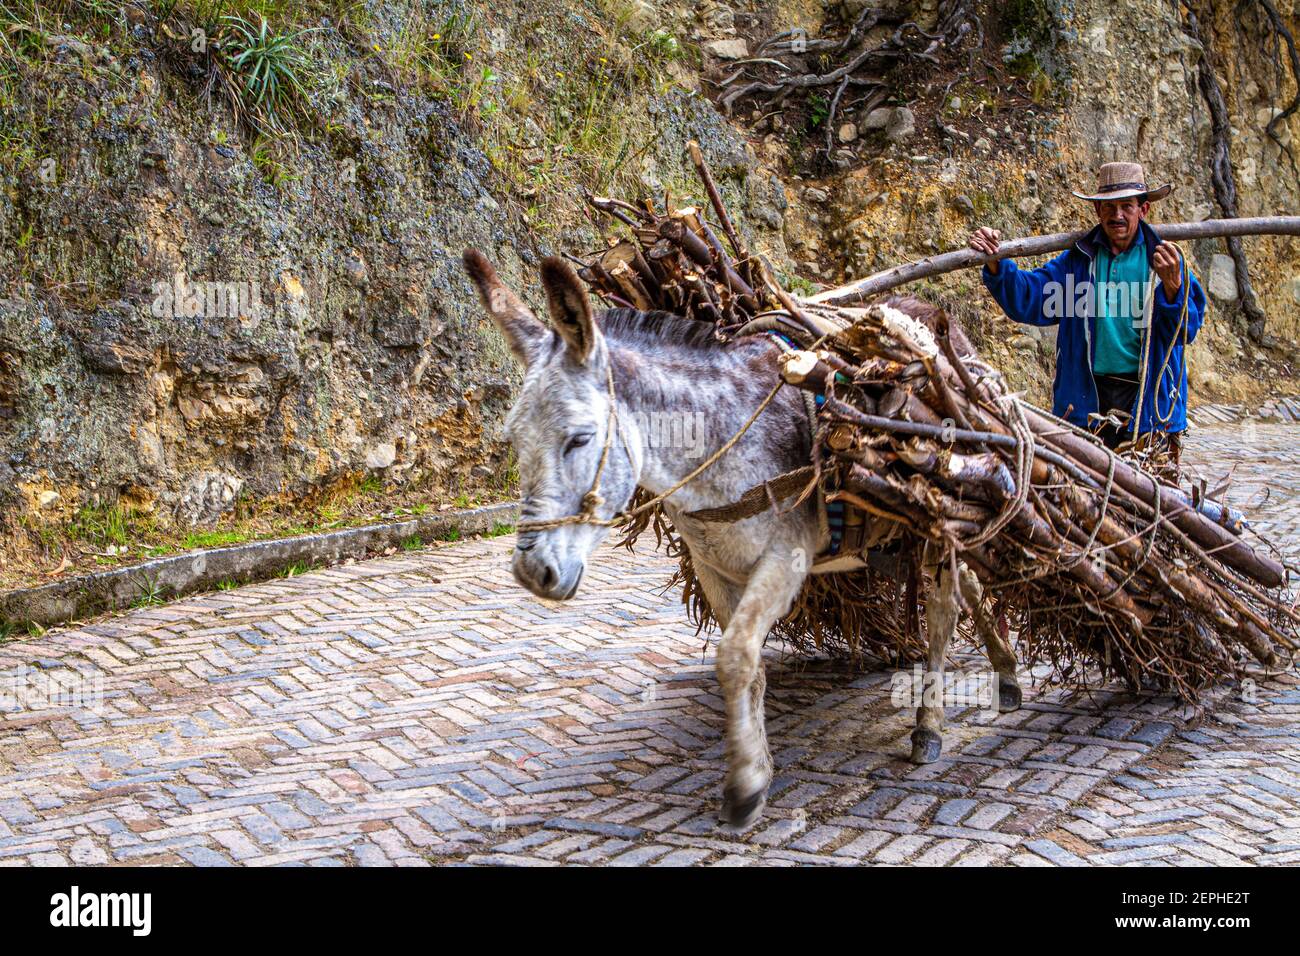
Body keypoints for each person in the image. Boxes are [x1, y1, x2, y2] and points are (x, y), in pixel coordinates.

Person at [968, 161, 1207, 470]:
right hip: (1087, 401)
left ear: (1143, 210)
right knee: (1084, 501)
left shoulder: (1164, 262)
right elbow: (1030, 298)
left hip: (1149, 406)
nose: (1117, 215)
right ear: (1097, 212)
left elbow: (1186, 330)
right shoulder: (1079, 262)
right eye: (1108, 207)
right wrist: (996, 264)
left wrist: (1173, 288)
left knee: (1153, 499)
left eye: (1126, 206)